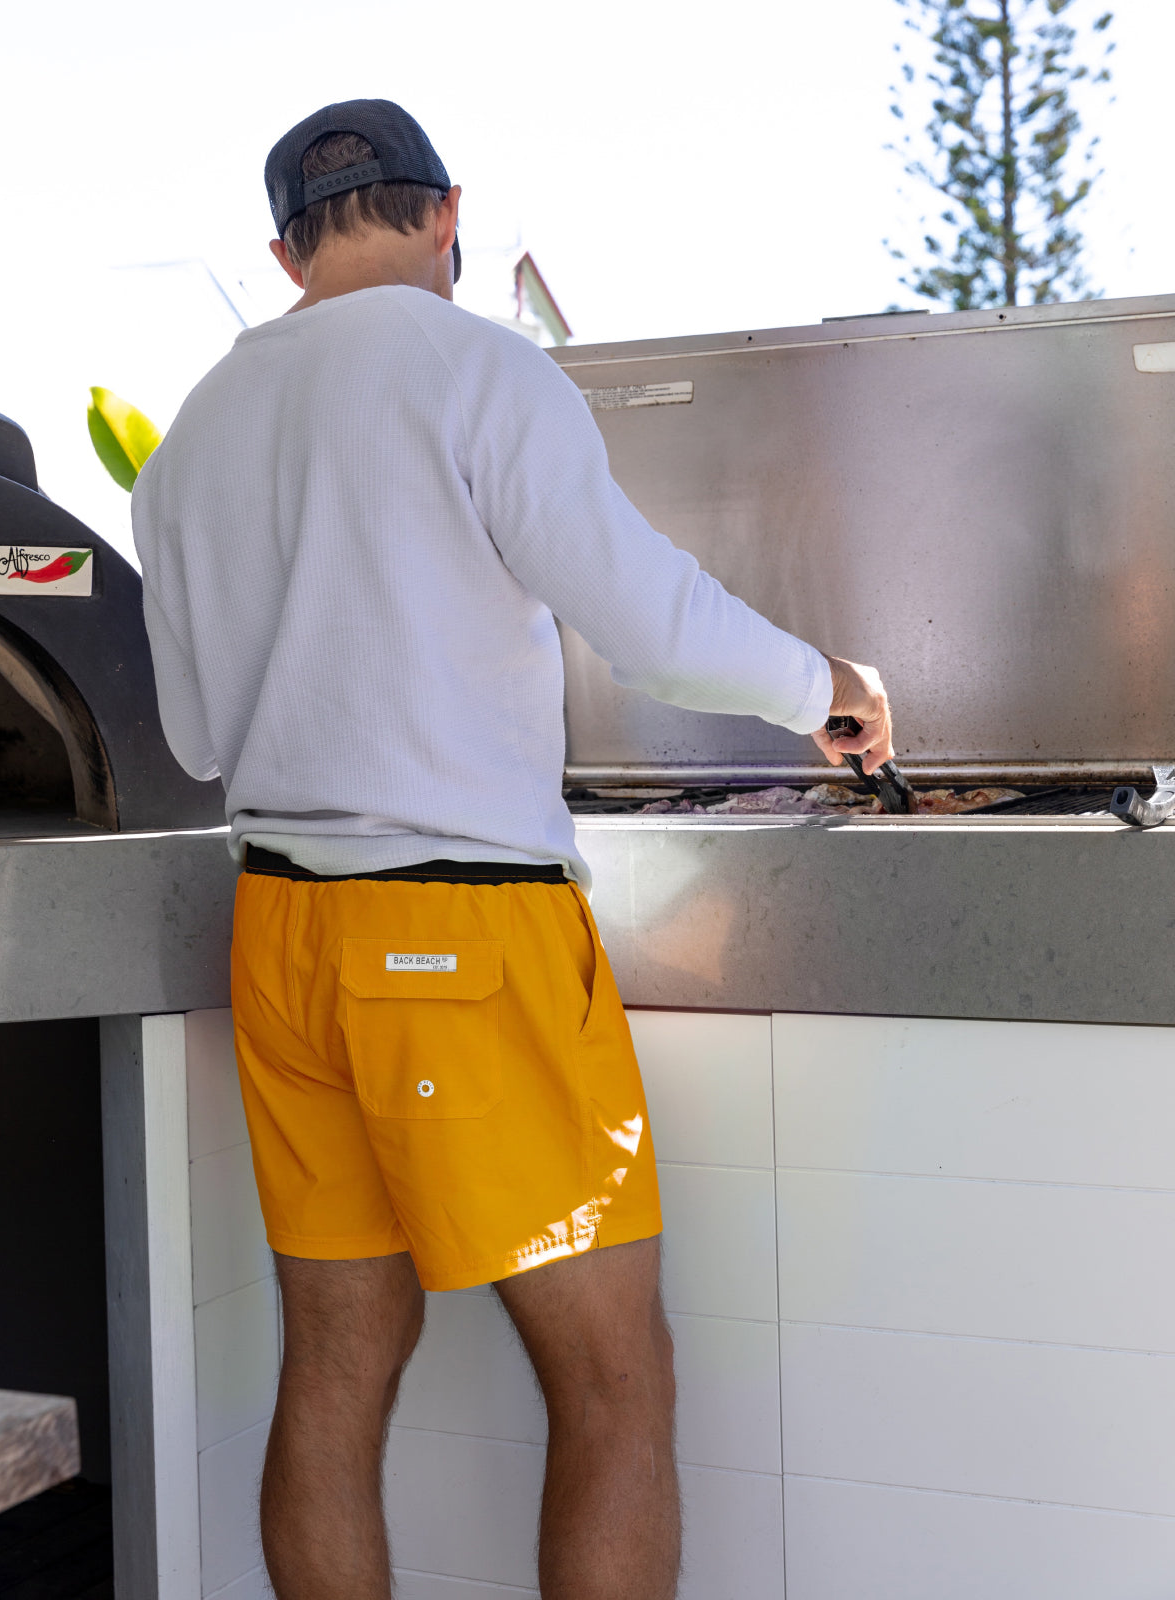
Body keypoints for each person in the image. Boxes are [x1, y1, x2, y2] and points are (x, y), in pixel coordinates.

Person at [132, 98, 894, 1600]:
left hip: (282, 935)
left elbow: (201, 733)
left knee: (340, 1364)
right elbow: (656, 626)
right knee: (616, 1379)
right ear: (448, 215)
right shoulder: (483, 367)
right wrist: (832, 691)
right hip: (461, 939)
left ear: (284, 249)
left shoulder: (197, 429)